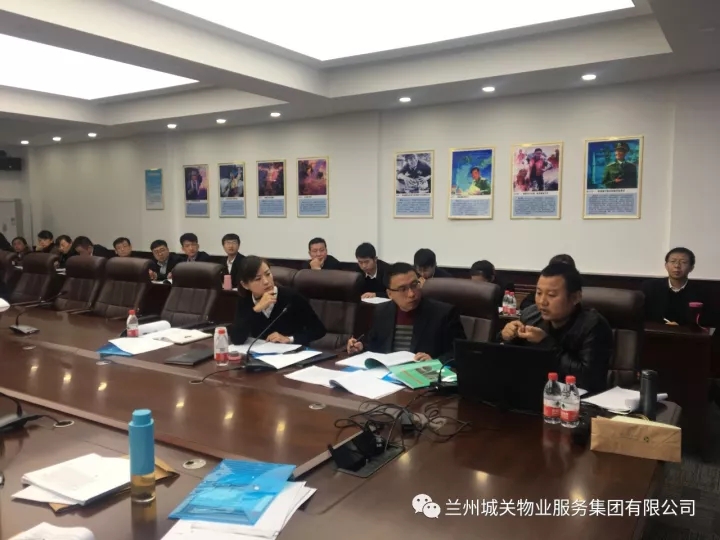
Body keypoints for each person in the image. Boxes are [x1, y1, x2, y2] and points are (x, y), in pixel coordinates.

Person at [500, 263, 613, 393]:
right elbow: (508, 361)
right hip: (534, 393)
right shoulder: (530, 315)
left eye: (551, 295)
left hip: (576, 400)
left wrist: (546, 343)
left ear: (575, 297)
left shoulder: (593, 326)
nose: (542, 302)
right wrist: (506, 336)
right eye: (538, 293)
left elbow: (589, 380)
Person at [346, 262, 466, 361]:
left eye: (414, 285)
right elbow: (375, 346)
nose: (411, 294)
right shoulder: (381, 311)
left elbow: (460, 353)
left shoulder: (444, 314)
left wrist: (435, 361)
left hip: (424, 376)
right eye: (403, 289)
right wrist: (361, 347)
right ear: (390, 294)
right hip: (388, 376)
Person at [230, 256, 326, 346]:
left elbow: (319, 330)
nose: (266, 281)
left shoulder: (291, 297)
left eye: (268, 274)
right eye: (258, 279)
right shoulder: (245, 300)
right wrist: (256, 310)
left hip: (292, 353)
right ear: (245, 285)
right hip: (260, 353)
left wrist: (289, 339)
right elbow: (237, 339)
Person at [642, 247, 705, 326]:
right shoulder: (650, 287)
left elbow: (705, 321)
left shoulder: (701, 291)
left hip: (686, 333)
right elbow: (641, 316)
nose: (677, 266)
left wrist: (680, 327)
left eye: (683, 262)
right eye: (673, 261)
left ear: (691, 268)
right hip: (655, 331)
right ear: (666, 265)